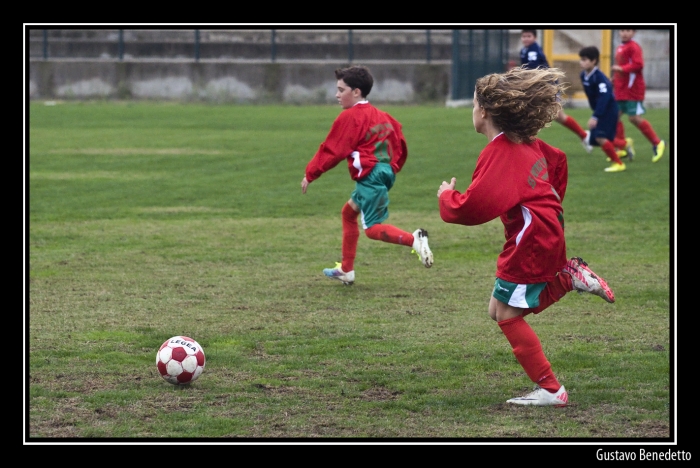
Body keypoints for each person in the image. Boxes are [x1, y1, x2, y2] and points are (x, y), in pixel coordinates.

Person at [437, 66, 615, 407]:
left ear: (485, 111)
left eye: (474, 104)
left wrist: (447, 196)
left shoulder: (500, 150)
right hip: (543, 229)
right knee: (497, 310)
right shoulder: (524, 142)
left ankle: (552, 390)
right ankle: (566, 278)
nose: (472, 111)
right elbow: (557, 162)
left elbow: (474, 206)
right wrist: (547, 206)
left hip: (532, 238)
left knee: (506, 315)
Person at [301, 65, 433, 286]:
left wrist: (310, 174)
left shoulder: (350, 117)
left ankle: (415, 240)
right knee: (348, 213)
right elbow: (400, 142)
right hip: (383, 173)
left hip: (370, 176)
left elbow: (332, 149)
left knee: (372, 229)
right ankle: (346, 270)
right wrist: (391, 168)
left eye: (341, 90)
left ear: (356, 92)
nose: (336, 95)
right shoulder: (383, 116)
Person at [519, 29, 592, 152]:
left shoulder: (533, 51)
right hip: (539, 88)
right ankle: (584, 136)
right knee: (532, 115)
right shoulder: (524, 50)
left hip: (547, 87)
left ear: (535, 37)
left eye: (529, 36)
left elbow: (534, 72)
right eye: (524, 36)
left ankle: (587, 136)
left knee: (538, 115)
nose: (526, 38)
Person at [611, 29, 666, 163]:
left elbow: (638, 64)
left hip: (632, 90)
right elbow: (621, 67)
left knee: (634, 118)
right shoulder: (620, 47)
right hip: (621, 89)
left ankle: (657, 142)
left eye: (628, 30)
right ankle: (622, 147)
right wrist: (614, 79)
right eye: (622, 30)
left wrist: (622, 69)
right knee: (613, 116)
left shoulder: (634, 47)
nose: (624, 33)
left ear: (634, 32)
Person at [579, 46, 628, 172]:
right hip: (600, 109)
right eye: (581, 59)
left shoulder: (598, 77)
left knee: (600, 137)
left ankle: (618, 163)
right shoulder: (584, 75)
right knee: (595, 139)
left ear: (594, 61)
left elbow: (604, 97)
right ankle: (625, 144)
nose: (582, 62)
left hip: (608, 110)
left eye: (585, 59)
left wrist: (596, 116)